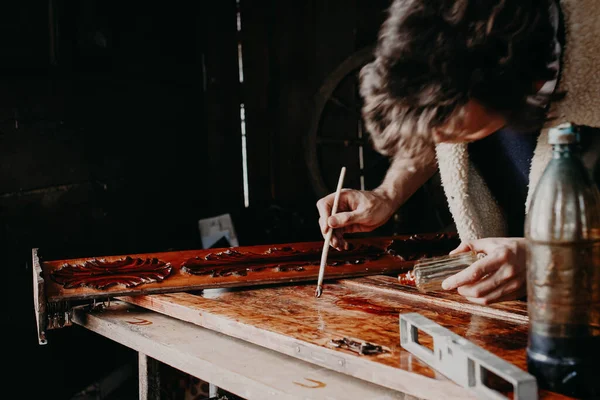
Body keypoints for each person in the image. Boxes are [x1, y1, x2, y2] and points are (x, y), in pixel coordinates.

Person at [316, 0, 600, 304]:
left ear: (502, 78)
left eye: (448, 132)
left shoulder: (589, 56)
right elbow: (436, 128)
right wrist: (388, 194)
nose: (439, 142)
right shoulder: (459, 60)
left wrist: (552, 261)